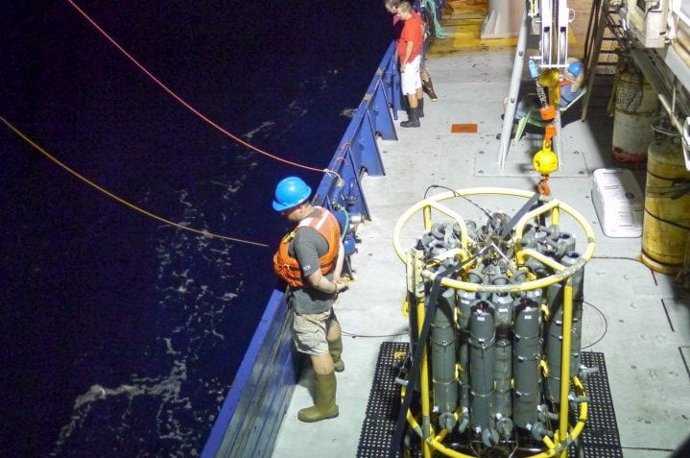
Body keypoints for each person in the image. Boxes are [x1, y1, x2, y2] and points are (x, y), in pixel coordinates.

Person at [272, 176, 347, 423]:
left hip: (311, 301)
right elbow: (340, 248)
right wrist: (335, 281)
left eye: (285, 210)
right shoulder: (323, 214)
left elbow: (314, 280)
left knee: (316, 349)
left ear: (298, 206)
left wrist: (331, 287)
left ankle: (327, 406)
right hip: (325, 301)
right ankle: (337, 360)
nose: (282, 215)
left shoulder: (304, 238)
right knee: (331, 321)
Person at [396, 1, 424, 128]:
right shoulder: (416, 18)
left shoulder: (409, 25)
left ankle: (414, 120)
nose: (398, 15)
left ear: (405, 11)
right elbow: (422, 29)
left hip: (410, 60)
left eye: (399, 13)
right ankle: (420, 111)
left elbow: (410, 45)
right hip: (417, 57)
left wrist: (404, 62)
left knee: (409, 90)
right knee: (417, 83)